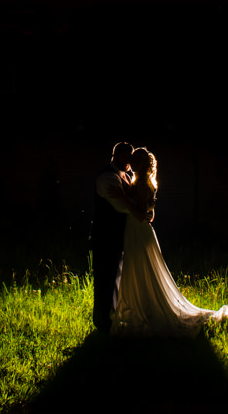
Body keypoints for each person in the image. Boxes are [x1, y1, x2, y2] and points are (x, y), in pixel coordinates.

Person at [112, 147, 228, 336]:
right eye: (132, 160)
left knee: (140, 269)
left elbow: (143, 214)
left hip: (137, 231)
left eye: (136, 161)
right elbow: (149, 214)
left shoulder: (142, 183)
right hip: (137, 231)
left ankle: (145, 310)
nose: (132, 163)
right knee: (139, 270)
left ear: (143, 164)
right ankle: (143, 307)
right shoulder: (142, 181)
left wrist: (122, 199)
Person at [91, 142, 151, 333]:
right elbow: (120, 206)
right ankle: (102, 322)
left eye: (130, 158)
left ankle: (114, 315)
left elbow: (139, 202)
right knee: (104, 278)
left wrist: (146, 210)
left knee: (117, 277)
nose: (128, 162)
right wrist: (142, 210)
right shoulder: (107, 178)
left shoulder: (125, 176)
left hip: (122, 234)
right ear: (115, 156)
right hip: (105, 236)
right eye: (125, 157)